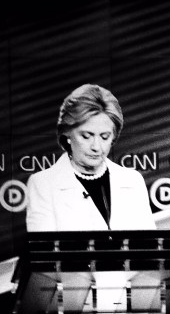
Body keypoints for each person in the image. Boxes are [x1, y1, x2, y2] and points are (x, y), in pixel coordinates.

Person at [25, 83, 156, 232]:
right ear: (67, 134)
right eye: (86, 136)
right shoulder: (43, 184)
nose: (96, 147)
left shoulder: (133, 180)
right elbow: (44, 252)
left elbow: (149, 246)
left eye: (104, 137)